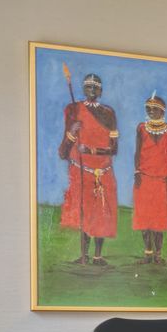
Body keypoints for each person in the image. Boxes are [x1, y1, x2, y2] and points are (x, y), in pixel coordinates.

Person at [58, 72, 119, 266]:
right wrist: (71, 134)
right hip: (81, 171)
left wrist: (92, 150)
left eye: (96, 87)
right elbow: (63, 152)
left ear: (101, 90)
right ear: (83, 89)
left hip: (103, 171)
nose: (92, 90)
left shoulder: (109, 113)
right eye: (88, 86)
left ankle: (97, 256)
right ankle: (83, 255)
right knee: (84, 213)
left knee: (101, 213)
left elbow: (114, 148)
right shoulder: (73, 110)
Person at [131, 93, 167, 263]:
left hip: (163, 179)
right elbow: (137, 151)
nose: (151, 111)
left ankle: (158, 254)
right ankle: (148, 252)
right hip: (144, 178)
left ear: (162, 110)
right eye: (148, 109)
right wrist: (137, 172)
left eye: (154, 109)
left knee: (159, 219)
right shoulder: (141, 128)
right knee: (145, 218)